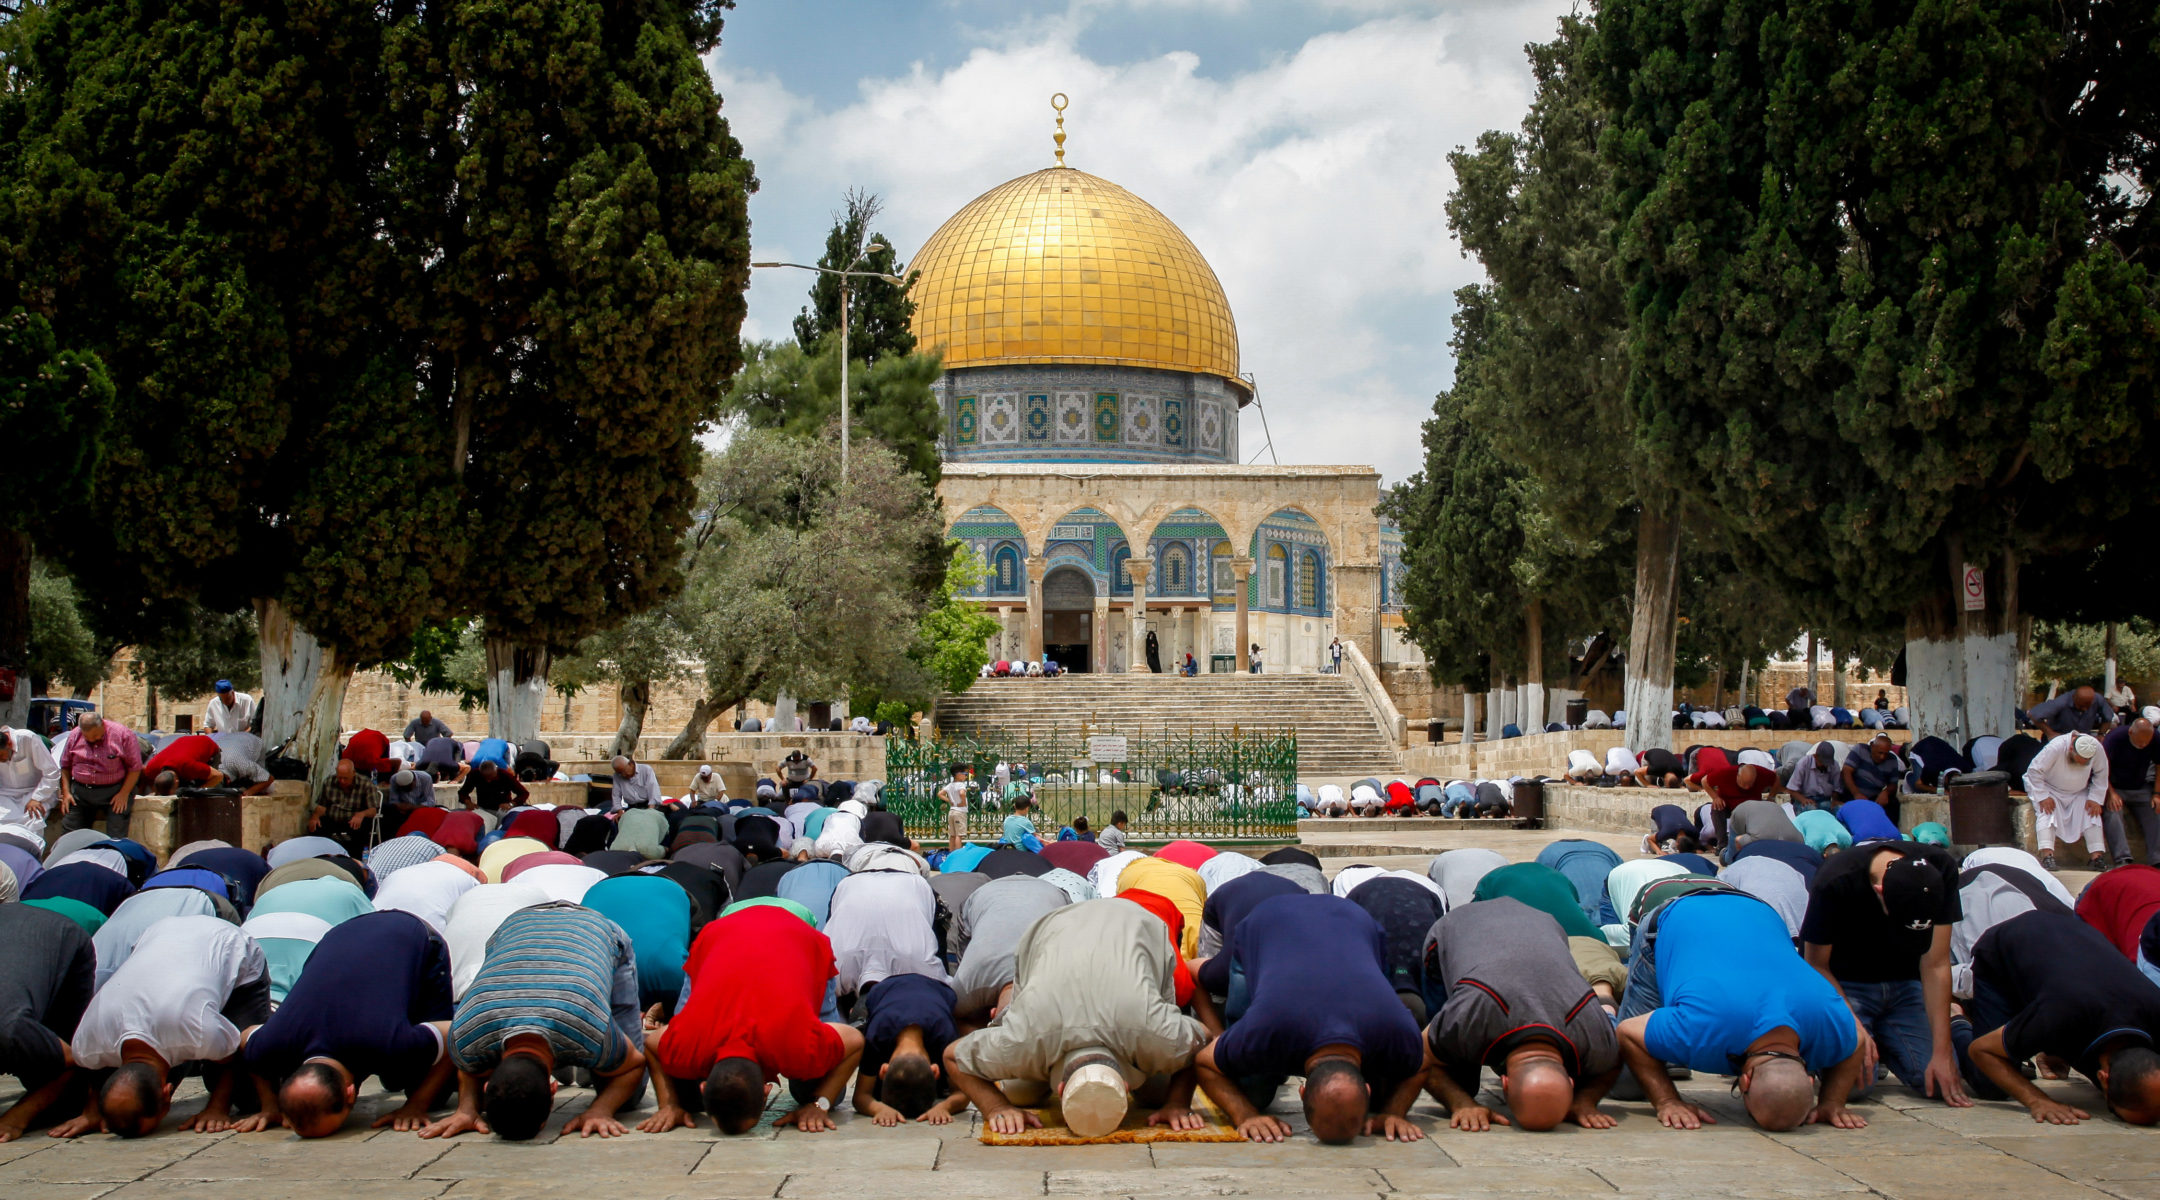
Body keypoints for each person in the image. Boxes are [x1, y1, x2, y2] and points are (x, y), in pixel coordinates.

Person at [947, 899, 1209, 1139]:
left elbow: (951, 1056)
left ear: (1059, 1089)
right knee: (1021, 1093)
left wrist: (997, 1107)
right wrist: (1178, 1103)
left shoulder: (1022, 1041)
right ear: (1127, 1087)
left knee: (1021, 1092)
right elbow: (1203, 1039)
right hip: (1102, 923)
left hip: (1065, 924)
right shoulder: (1023, 1039)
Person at [1616, 892, 1865, 1131]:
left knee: (1862, 1081)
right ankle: (1602, 1012)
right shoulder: (1700, 1029)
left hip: (1758, 910)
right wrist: (1667, 1101)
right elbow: (1627, 1032)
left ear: (1810, 1080)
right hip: (1676, 917)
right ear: (1745, 1081)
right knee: (1627, 1081)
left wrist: (1832, 1102)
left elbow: (1858, 1040)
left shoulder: (1826, 1025)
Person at [1193, 892, 1425, 1144]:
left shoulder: (1393, 1028)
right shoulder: (1266, 1025)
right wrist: (1245, 1113)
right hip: (1269, 920)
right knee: (1251, 1091)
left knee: (1252, 1078)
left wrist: (1392, 1113)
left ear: (1302, 1093)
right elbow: (1205, 1062)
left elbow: (1422, 1062)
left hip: (1352, 917)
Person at [641, 903, 865, 1136]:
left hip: (799, 939)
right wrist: (669, 1106)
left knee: (816, 1085)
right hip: (719, 937)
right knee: (817, 1078)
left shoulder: (799, 1046)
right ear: (767, 1091)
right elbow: (651, 1044)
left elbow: (855, 1041)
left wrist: (821, 1105)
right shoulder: (689, 1043)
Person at [431, 902, 648, 1140]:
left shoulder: (589, 1026)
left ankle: (603, 1058)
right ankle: (600, 1059)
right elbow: (469, 1065)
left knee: (629, 1096)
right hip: (517, 926)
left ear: (553, 1090)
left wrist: (601, 1110)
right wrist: (466, 1110)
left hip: (595, 930)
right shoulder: (467, 1033)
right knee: (608, 1064)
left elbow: (634, 1065)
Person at [240, 910, 455, 1137]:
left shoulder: (391, 1043)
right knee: (400, 1068)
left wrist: (417, 1105)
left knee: (429, 1092)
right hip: (339, 934)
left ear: (351, 1094)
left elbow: (454, 1032)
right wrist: (270, 1106)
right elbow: (246, 1038)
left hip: (409, 933)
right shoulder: (271, 1044)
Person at [64, 915, 274, 1138]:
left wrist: (217, 1108)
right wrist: (92, 1112)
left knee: (248, 1094)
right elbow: (98, 1076)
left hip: (227, 941)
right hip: (159, 932)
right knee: (196, 1044)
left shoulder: (197, 1031)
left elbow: (232, 1054)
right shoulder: (87, 1044)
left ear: (168, 1093)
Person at [1422, 897, 1620, 1132]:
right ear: (1504, 1084)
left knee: (1462, 1049)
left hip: (1545, 923)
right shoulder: (1472, 1012)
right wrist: (1461, 1103)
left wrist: (1584, 1101)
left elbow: (1616, 1059)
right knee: (1461, 1076)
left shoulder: (1592, 1029)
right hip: (1455, 925)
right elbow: (1421, 1052)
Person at [1798, 839, 1969, 1106]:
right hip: (1846, 984)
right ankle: (1866, 1038)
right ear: (1878, 891)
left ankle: (1944, 1026)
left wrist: (1942, 1050)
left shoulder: (1938, 869)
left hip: (1905, 984)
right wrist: (1853, 1027)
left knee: (1939, 1083)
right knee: (1852, 1086)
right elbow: (1816, 965)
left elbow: (1935, 963)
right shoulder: (1836, 878)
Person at [1954, 910, 2160, 1125]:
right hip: (2008, 946)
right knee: (1990, 1085)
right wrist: (2037, 1100)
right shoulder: (2060, 1015)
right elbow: (1981, 1050)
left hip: (2070, 946)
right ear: (2103, 1079)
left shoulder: (2155, 1010)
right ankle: (1956, 1020)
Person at [0, 902, 96, 1141]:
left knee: (67, 1097)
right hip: (15, 930)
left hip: (60, 935)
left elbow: (79, 1059)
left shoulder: (11, 1030)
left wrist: (17, 1116)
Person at [852, 971, 965, 1125]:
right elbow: (860, 1097)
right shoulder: (875, 1035)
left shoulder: (945, 1035)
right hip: (883, 989)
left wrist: (944, 1107)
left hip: (936, 989)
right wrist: (878, 1109)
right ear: (935, 1070)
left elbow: (963, 1093)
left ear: (884, 1069)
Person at [2023, 732, 2109, 871]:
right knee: (2046, 813)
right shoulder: (2056, 747)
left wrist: (2095, 798)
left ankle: (2096, 857)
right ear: (2071, 749)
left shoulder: (2096, 748)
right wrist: (2043, 796)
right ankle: (2047, 856)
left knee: (2092, 813)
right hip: (2050, 789)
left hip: (2078, 792)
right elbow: (2034, 771)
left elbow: (2101, 773)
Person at [55, 713, 141, 838]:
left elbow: (135, 768)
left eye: (96, 736)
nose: (92, 740)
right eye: (87, 737)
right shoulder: (74, 735)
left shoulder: (123, 735)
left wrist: (124, 793)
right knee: (69, 834)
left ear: (103, 725)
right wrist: (66, 792)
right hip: (80, 793)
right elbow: (65, 766)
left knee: (116, 834)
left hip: (114, 791)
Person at [2102, 718, 2160, 869]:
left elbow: (2159, 766)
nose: (2142, 745)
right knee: (2113, 813)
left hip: (2140, 788)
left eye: (2146, 743)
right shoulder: (2115, 738)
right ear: (2130, 732)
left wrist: (2157, 793)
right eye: (2140, 742)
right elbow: (2101, 767)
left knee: (2156, 811)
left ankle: (2157, 859)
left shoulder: (2155, 739)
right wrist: (2111, 794)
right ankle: (2123, 859)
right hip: (2116, 787)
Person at [310, 758, 382, 857]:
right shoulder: (329, 781)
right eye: (340, 778)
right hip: (334, 818)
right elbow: (322, 805)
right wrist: (315, 817)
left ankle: (354, 859)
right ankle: (322, 856)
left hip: (354, 820)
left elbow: (373, 810)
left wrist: (361, 814)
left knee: (360, 830)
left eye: (345, 778)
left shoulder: (365, 784)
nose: (342, 781)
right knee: (316, 827)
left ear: (353, 773)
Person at [0, 726, 59, 844]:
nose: (1, 759)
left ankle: (29, 854)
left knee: (32, 819)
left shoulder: (27, 738)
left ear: (9, 745)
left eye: (1, 756)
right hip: (5, 794)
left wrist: (37, 798)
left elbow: (51, 772)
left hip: (35, 792)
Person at [2031, 685, 2118, 740]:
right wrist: (2050, 734)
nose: (2084, 709)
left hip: (2082, 740)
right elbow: (2033, 714)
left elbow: (2108, 718)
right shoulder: (2062, 702)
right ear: (2074, 698)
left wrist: (2101, 734)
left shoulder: (2098, 699)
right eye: (2081, 706)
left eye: (2088, 707)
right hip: (2060, 738)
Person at [1842, 735, 1904, 811]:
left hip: (1874, 797)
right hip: (1853, 792)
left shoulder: (1892, 759)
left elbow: (1893, 784)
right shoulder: (1860, 749)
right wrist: (1856, 793)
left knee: (1893, 804)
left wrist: (1886, 792)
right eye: (1880, 753)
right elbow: (1846, 771)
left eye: (1886, 754)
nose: (1882, 757)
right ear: (1872, 746)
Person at [142, 733, 225, 788]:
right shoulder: (151, 768)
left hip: (208, 747)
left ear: (177, 781)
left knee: (205, 784)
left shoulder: (189, 766)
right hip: (184, 745)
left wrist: (198, 792)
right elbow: (148, 782)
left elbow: (218, 776)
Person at [456, 758, 528, 814]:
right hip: (483, 808)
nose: (488, 780)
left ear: (496, 771)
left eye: (491, 777)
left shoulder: (505, 776)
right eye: (485, 778)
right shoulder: (475, 774)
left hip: (502, 809)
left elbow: (524, 793)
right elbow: (463, 792)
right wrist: (468, 802)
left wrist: (511, 804)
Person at [941, 766, 970, 851]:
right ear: (958, 774)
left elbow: (940, 793)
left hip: (952, 811)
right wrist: (963, 803)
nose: (966, 776)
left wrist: (949, 800)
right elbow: (962, 793)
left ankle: (951, 853)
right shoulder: (961, 785)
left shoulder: (950, 785)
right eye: (965, 774)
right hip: (960, 812)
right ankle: (958, 853)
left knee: (952, 835)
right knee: (959, 835)